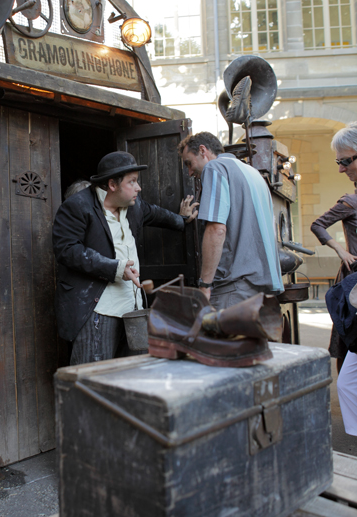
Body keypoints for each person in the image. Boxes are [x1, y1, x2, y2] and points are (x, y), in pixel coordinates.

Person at [53, 151, 198, 365]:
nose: (138, 188)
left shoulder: (133, 206)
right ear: (112, 184)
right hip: (97, 310)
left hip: (132, 308)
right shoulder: (77, 206)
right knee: (94, 376)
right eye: (132, 182)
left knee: (133, 373)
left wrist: (182, 220)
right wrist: (115, 268)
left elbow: (156, 214)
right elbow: (67, 250)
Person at [178, 131, 283, 309]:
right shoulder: (253, 173)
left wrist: (205, 285)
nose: (189, 172)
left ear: (203, 150)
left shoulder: (215, 168)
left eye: (189, 163)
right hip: (262, 285)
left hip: (235, 287)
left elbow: (216, 229)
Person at [311, 122, 357, 435]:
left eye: (345, 160)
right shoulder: (350, 201)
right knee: (346, 358)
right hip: (352, 291)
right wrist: (341, 250)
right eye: (338, 162)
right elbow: (317, 224)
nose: (341, 168)